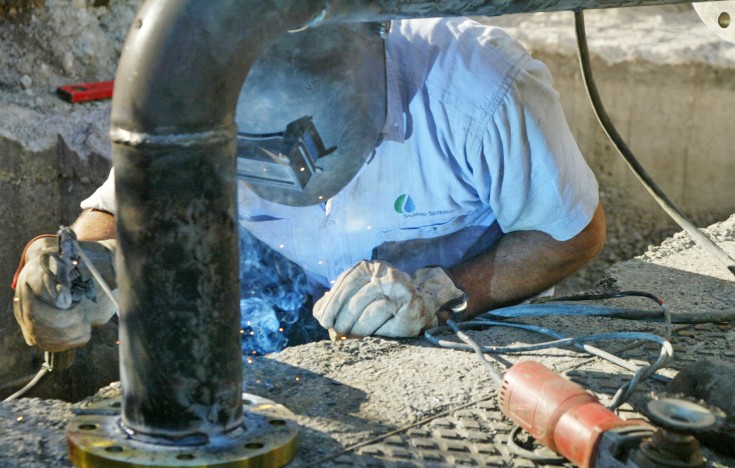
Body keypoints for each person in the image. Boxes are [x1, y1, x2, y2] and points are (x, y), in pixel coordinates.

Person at [13, 17, 605, 353]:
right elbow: (112, 217)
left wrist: (442, 292)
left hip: (471, 335)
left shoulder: (482, 91)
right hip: (291, 324)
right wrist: (70, 267)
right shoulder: (193, 91)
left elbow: (572, 235)